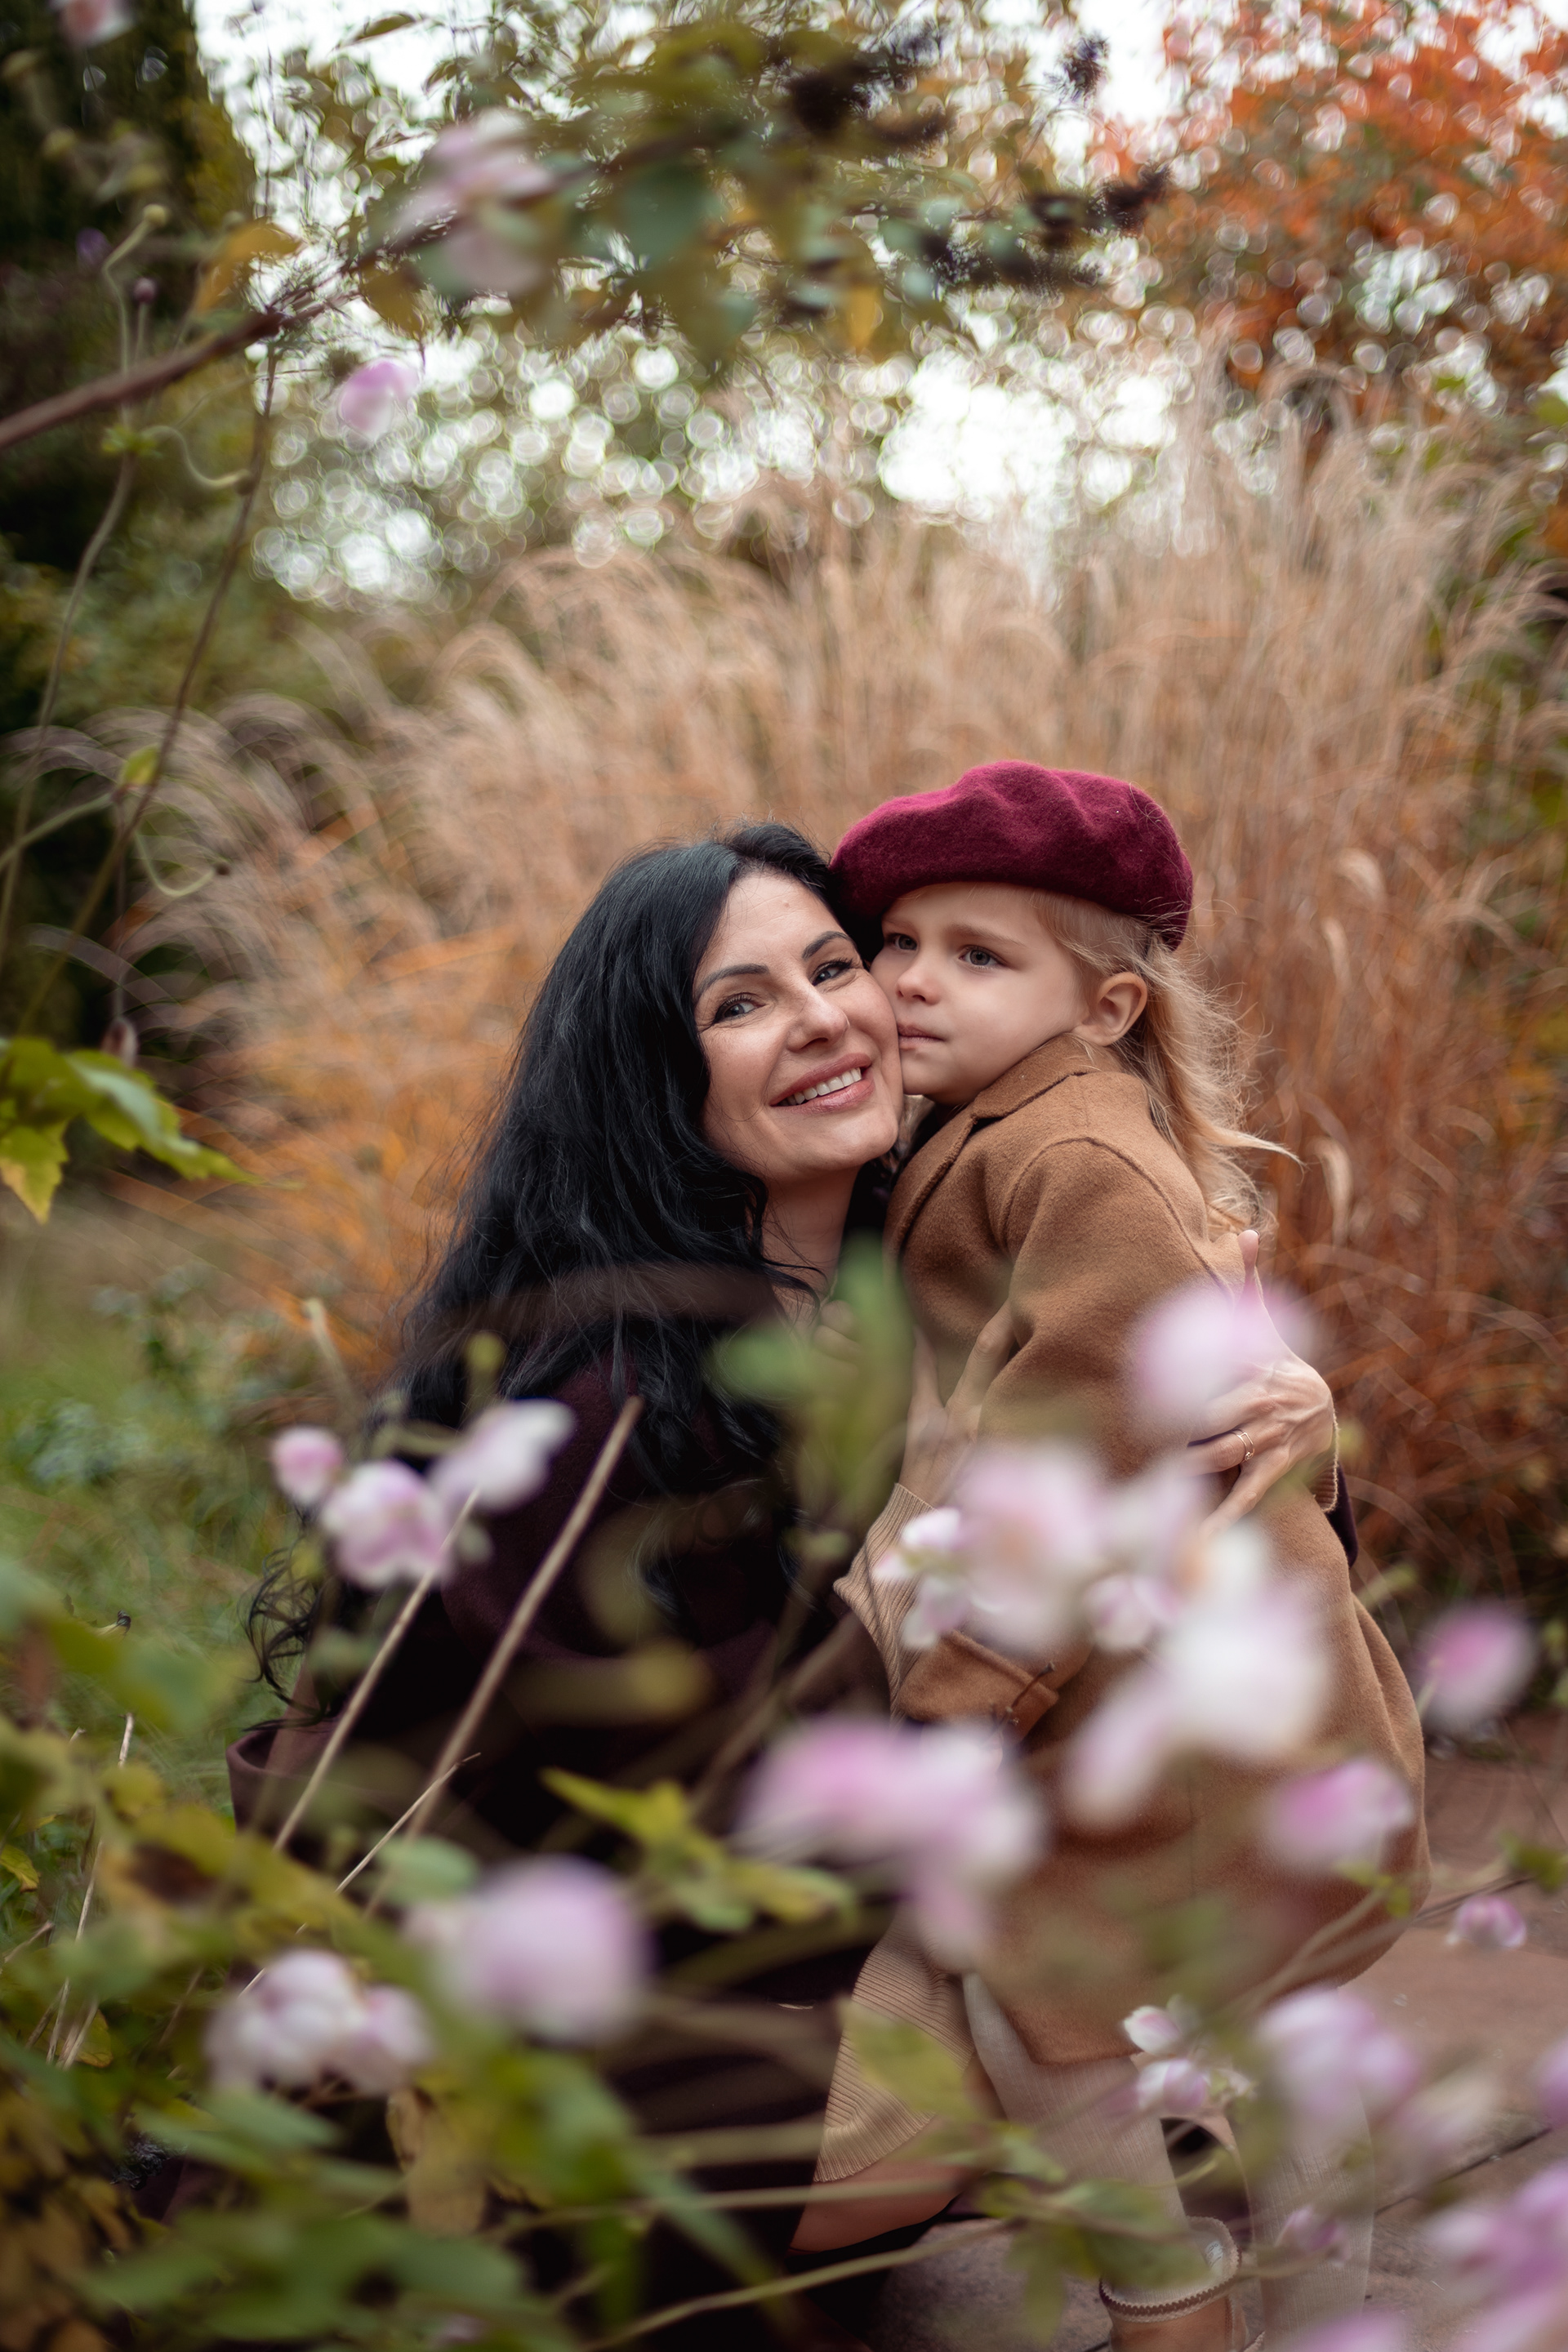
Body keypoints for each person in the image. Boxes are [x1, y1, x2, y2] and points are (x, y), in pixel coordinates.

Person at [229, 817, 1349, 2347]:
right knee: (1076, 2022)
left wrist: (1282, 1431)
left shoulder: (933, 1269)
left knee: (1144, 1954)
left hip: (816, 1925)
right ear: (653, 1077)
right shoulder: (602, 1403)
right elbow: (724, 1829)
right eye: (741, 1002)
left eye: (837, 966)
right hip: (589, 1994)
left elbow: (1177, 1556)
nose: (825, 1017)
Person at [804, 762, 1430, 2351]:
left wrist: (959, 1699)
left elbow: (1082, 1439)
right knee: (1154, 2001)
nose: (910, 980)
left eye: (977, 954)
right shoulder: (984, 1130)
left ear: (1106, 1007)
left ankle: (1188, 2288)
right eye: (899, 942)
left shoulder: (1073, 1156)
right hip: (1124, 1667)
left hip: (1169, 1688)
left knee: (1075, 2005)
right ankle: (1239, 2249)